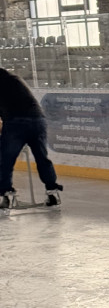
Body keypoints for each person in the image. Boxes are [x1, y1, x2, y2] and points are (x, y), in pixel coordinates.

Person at [0, 67, 62, 209]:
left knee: (5, 160)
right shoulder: (16, 80)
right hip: (38, 121)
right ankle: (52, 192)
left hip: (16, 123)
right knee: (42, 159)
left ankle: (5, 195)